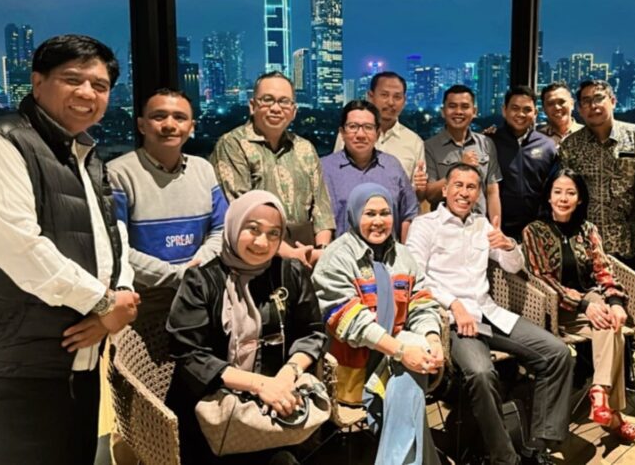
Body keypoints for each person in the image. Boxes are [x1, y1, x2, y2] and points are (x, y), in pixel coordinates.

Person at [0, 34, 140, 464]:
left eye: (100, 85)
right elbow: (17, 246)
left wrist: (119, 299)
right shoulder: (6, 141)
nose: (87, 93)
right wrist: (105, 304)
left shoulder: (84, 153)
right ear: (37, 82)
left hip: (79, 360)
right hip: (21, 365)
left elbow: (113, 236)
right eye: (72, 79)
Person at [406, 163, 572, 465]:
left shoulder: (482, 225)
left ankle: (536, 447)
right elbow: (415, 277)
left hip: (490, 313)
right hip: (452, 323)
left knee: (557, 353)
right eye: (458, 185)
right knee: (481, 374)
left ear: (478, 193)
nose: (464, 193)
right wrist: (453, 304)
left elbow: (513, 266)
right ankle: (505, 458)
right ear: (445, 190)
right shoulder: (425, 225)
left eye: (471, 187)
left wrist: (508, 245)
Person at [165, 190, 326, 465]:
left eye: (274, 233)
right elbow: (190, 355)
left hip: (275, 410)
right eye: (253, 229)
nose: (262, 242)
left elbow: (312, 332)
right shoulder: (201, 281)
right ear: (233, 225)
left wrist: (286, 376)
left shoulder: (290, 273)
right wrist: (261, 385)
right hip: (211, 414)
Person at [313, 183, 444, 465]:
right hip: (353, 372)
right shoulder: (336, 258)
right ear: (354, 214)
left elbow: (421, 303)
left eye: (385, 213)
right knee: (411, 372)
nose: (378, 221)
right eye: (369, 213)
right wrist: (401, 352)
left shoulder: (403, 256)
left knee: (416, 355)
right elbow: (351, 322)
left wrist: (433, 339)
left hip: (398, 361)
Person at [522, 169, 635, 442]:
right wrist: (584, 304)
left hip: (591, 302)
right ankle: (613, 416)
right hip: (554, 309)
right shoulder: (533, 231)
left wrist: (615, 302)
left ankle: (599, 392)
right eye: (558, 192)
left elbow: (603, 271)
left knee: (611, 321)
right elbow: (543, 280)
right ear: (548, 197)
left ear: (580, 198)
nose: (563, 199)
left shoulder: (588, 230)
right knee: (614, 332)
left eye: (570, 193)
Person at [559, 79, 635, 390]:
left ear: (612, 100)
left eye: (598, 98)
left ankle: (627, 363)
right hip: (585, 246)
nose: (592, 105)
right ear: (579, 108)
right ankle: (588, 365)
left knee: (626, 306)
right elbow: (565, 193)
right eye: (585, 101)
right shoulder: (572, 145)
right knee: (592, 307)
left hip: (625, 240)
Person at [109, 88, 228, 299]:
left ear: (191, 127)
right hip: (145, 297)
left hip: (201, 293)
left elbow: (221, 229)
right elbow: (115, 247)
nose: (169, 125)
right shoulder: (117, 174)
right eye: (159, 117)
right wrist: (180, 276)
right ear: (141, 125)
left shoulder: (203, 169)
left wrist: (196, 271)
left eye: (180, 118)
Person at [210, 71, 335, 268]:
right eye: (267, 100)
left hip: (307, 255)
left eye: (284, 102)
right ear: (252, 106)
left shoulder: (305, 148)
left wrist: (322, 251)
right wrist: (291, 253)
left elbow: (322, 207)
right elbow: (240, 210)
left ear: (293, 111)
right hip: (254, 255)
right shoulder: (233, 144)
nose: (276, 108)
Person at [321, 99, 418, 242]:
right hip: (341, 253)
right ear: (342, 132)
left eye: (368, 127)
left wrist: (404, 251)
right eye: (353, 127)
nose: (360, 134)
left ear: (377, 133)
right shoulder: (325, 168)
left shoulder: (392, 166)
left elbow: (409, 213)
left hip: (387, 253)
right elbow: (319, 219)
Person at [334, 72, 428, 199]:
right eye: (384, 95)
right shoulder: (350, 135)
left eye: (397, 97)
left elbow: (418, 196)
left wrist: (421, 188)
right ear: (370, 97)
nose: (391, 102)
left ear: (404, 101)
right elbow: (335, 178)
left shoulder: (414, 142)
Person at [488, 86, 557, 242]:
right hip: (498, 229)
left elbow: (553, 188)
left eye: (527, 110)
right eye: (515, 108)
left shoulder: (547, 146)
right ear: (504, 110)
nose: (520, 114)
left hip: (538, 230)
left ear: (535, 113)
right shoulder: (491, 142)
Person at [424, 84, 502, 218]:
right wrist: (460, 167)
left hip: (479, 223)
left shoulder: (486, 143)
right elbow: (430, 194)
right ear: (443, 111)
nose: (458, 112)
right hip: (444, 226)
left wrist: (496, 226)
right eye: (452, 106)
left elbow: (492, 192)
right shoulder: (429, 146)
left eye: (465, 107)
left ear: (474, 111)